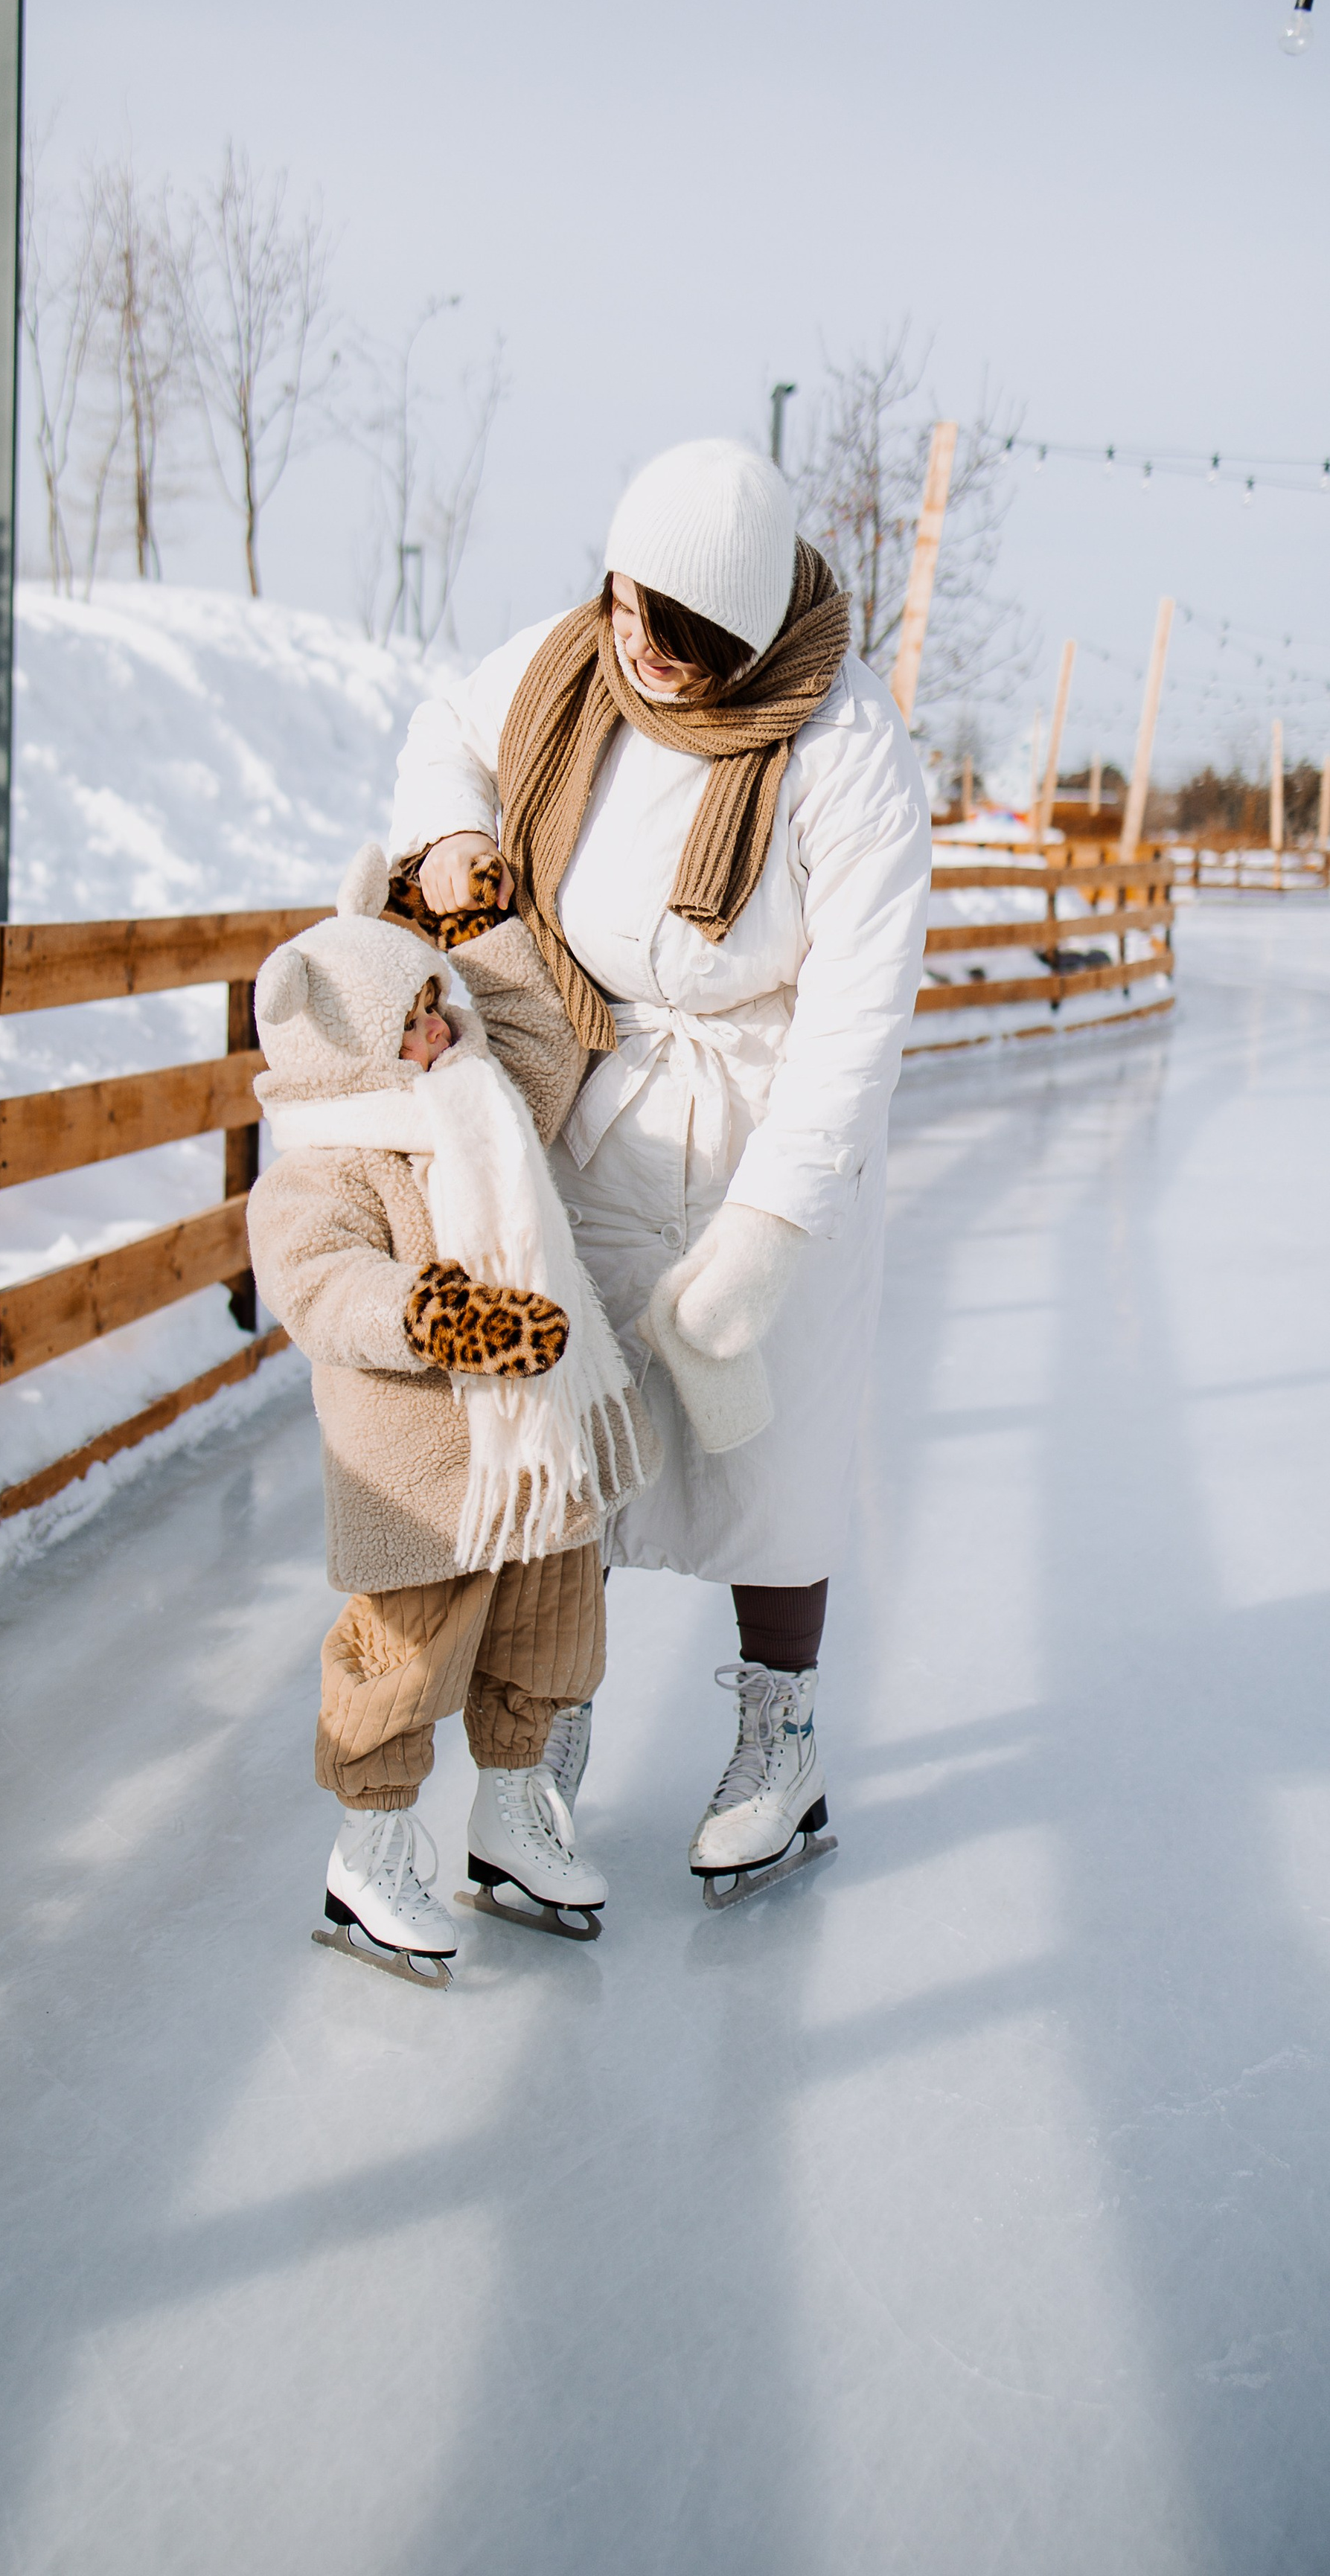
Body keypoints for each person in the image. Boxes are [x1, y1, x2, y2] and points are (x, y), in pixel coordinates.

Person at [390, 438, 932, 1902]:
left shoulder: (842, 747)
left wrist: (762, 1234)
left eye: (681, 642)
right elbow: (446, 729)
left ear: (746, 640)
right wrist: (447, 839)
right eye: (628, 611)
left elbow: (855, 1020)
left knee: (765, 1450)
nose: (642, 655)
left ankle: (782, 1737)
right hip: (595, 1101)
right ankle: (540, 1730)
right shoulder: (577, 661)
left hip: (766, 1135)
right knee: (575, 1447)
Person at [246, 843, 660, 1984]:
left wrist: (479, 924)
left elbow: (531, 1025)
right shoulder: (324, 1167)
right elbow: (321, 1286)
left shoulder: (480, 1101)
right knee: (405, 1654)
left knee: (551, 1628)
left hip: (534, 1447)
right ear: (342, 1053)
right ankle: (369, 1852)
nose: (441, 1033)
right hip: (418, 1469)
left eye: (438, 1005)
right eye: (411, 1024)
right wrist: (435, 1318)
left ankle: (512, 1820)